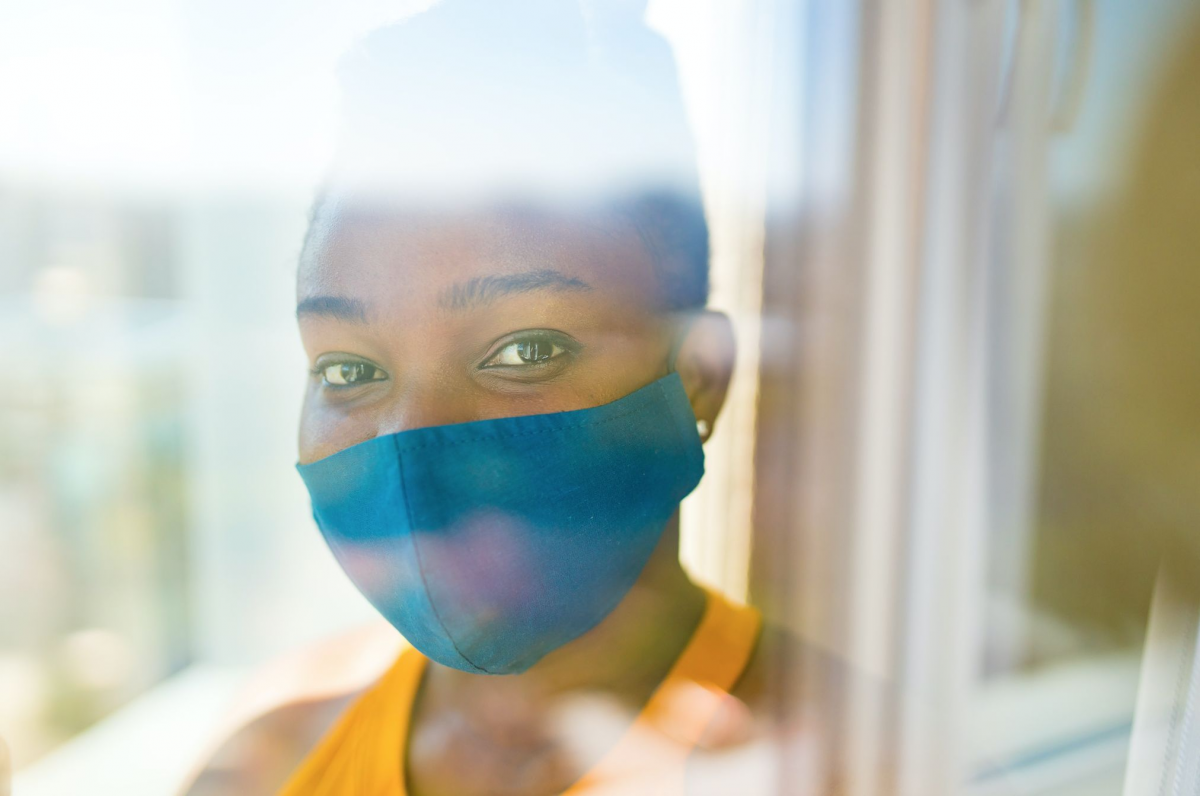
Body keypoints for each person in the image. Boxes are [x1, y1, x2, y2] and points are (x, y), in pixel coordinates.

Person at [179, 2, 822, 794]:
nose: (411, 443)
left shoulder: (865, 759)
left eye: (526, 351)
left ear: (698, 376)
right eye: (348, 370)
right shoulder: (269, 756)